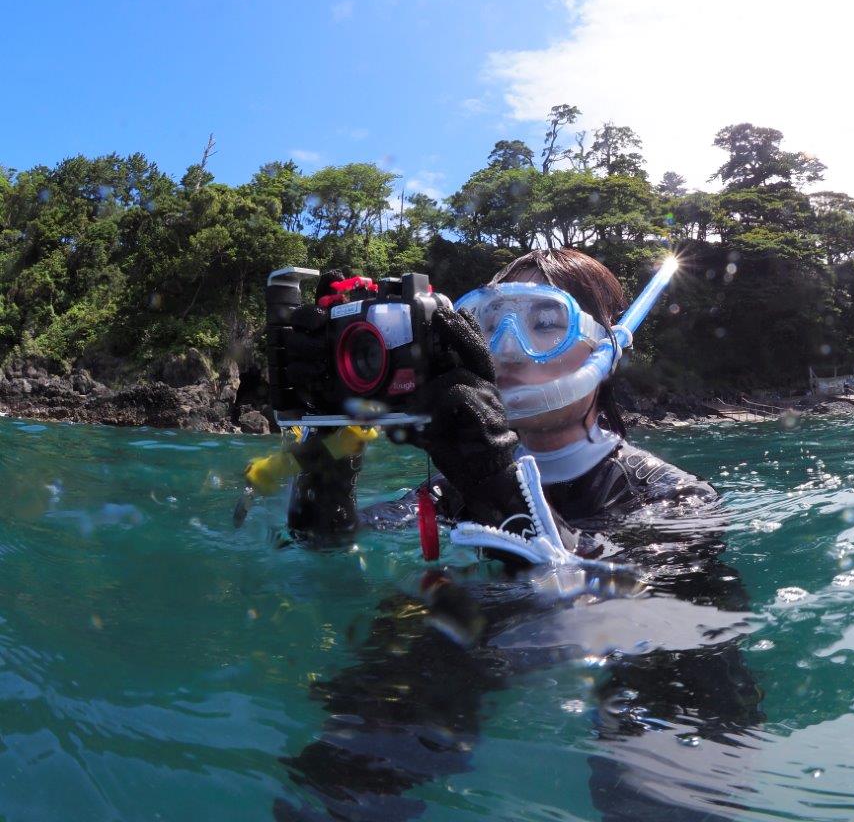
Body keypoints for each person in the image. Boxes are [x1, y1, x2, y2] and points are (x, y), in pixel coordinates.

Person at [274, 249, 763, 821]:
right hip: (481, 635)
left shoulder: (671, 496)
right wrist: (324, 477)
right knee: (393, 679)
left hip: (649, 673)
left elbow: (598, 603)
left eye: (545, 324)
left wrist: (491, 471)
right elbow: (323, 561)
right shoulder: (441, 495)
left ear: (606, 349)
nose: (506, 348)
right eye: (488, 325)